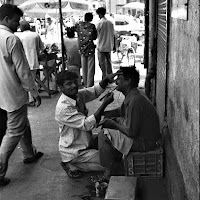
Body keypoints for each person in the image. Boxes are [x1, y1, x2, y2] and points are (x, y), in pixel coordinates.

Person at [0, 4, 43, 186]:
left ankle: (29, 153)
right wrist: (34, 92)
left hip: (2, 92)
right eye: (16, 20)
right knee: (14, 130)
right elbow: (23, 72)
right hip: (12, 93)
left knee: (21, 122)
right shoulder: (11, 39)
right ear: (6, 19)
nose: (19, 24)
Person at [97, 67, 161, 180]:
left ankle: (108, 174)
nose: (116, 82)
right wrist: (103, 110)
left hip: (145, 142)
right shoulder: (132, 95)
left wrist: (113, 124)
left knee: (104, 135)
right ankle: (115, 164)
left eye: (119, 79)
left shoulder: (136, 100)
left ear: (128, 81)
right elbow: (119, 112)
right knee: (108, 127)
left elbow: (131, 132)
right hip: (142, 137)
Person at [55, 70, 118, 179]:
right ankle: (72, 164)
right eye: (69, 84)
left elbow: (94, 91)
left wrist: (106, 79)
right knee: (110, 164)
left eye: (75, 82)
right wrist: (104, 104)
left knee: (112, 145)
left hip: (84, 140)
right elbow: (87, 124)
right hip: (75, 150)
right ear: (61, 88)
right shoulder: (63, 107)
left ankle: (82, 160)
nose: (74, 86)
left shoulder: (77, 95)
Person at [15, 20, 44, 106]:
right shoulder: (35, 35)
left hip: (22, 62)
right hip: (33, 61)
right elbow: (41, 48)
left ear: (21, 28)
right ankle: (32, 98)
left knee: (23, 81)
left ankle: (29, 100)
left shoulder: (18, 36)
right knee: (32, 80)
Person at [75, 12, 97, 87]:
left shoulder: (79, 25)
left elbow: (73, 30)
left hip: (82, 49)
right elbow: (95, 37)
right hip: (90, 48)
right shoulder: (92, 26)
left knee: (84, 67)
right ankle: (89, 84)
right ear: (91, 18)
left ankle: (85, 83)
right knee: (90, 68)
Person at [96, 7, 115, 79]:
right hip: (109, 46)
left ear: (99, 14)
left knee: (102, 64)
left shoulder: (99, 23)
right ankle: (110, 77)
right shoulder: (110, 23)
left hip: (101, 46)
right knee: (109, 63)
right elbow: (113, 34)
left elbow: (96, 35)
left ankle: (104, 77)